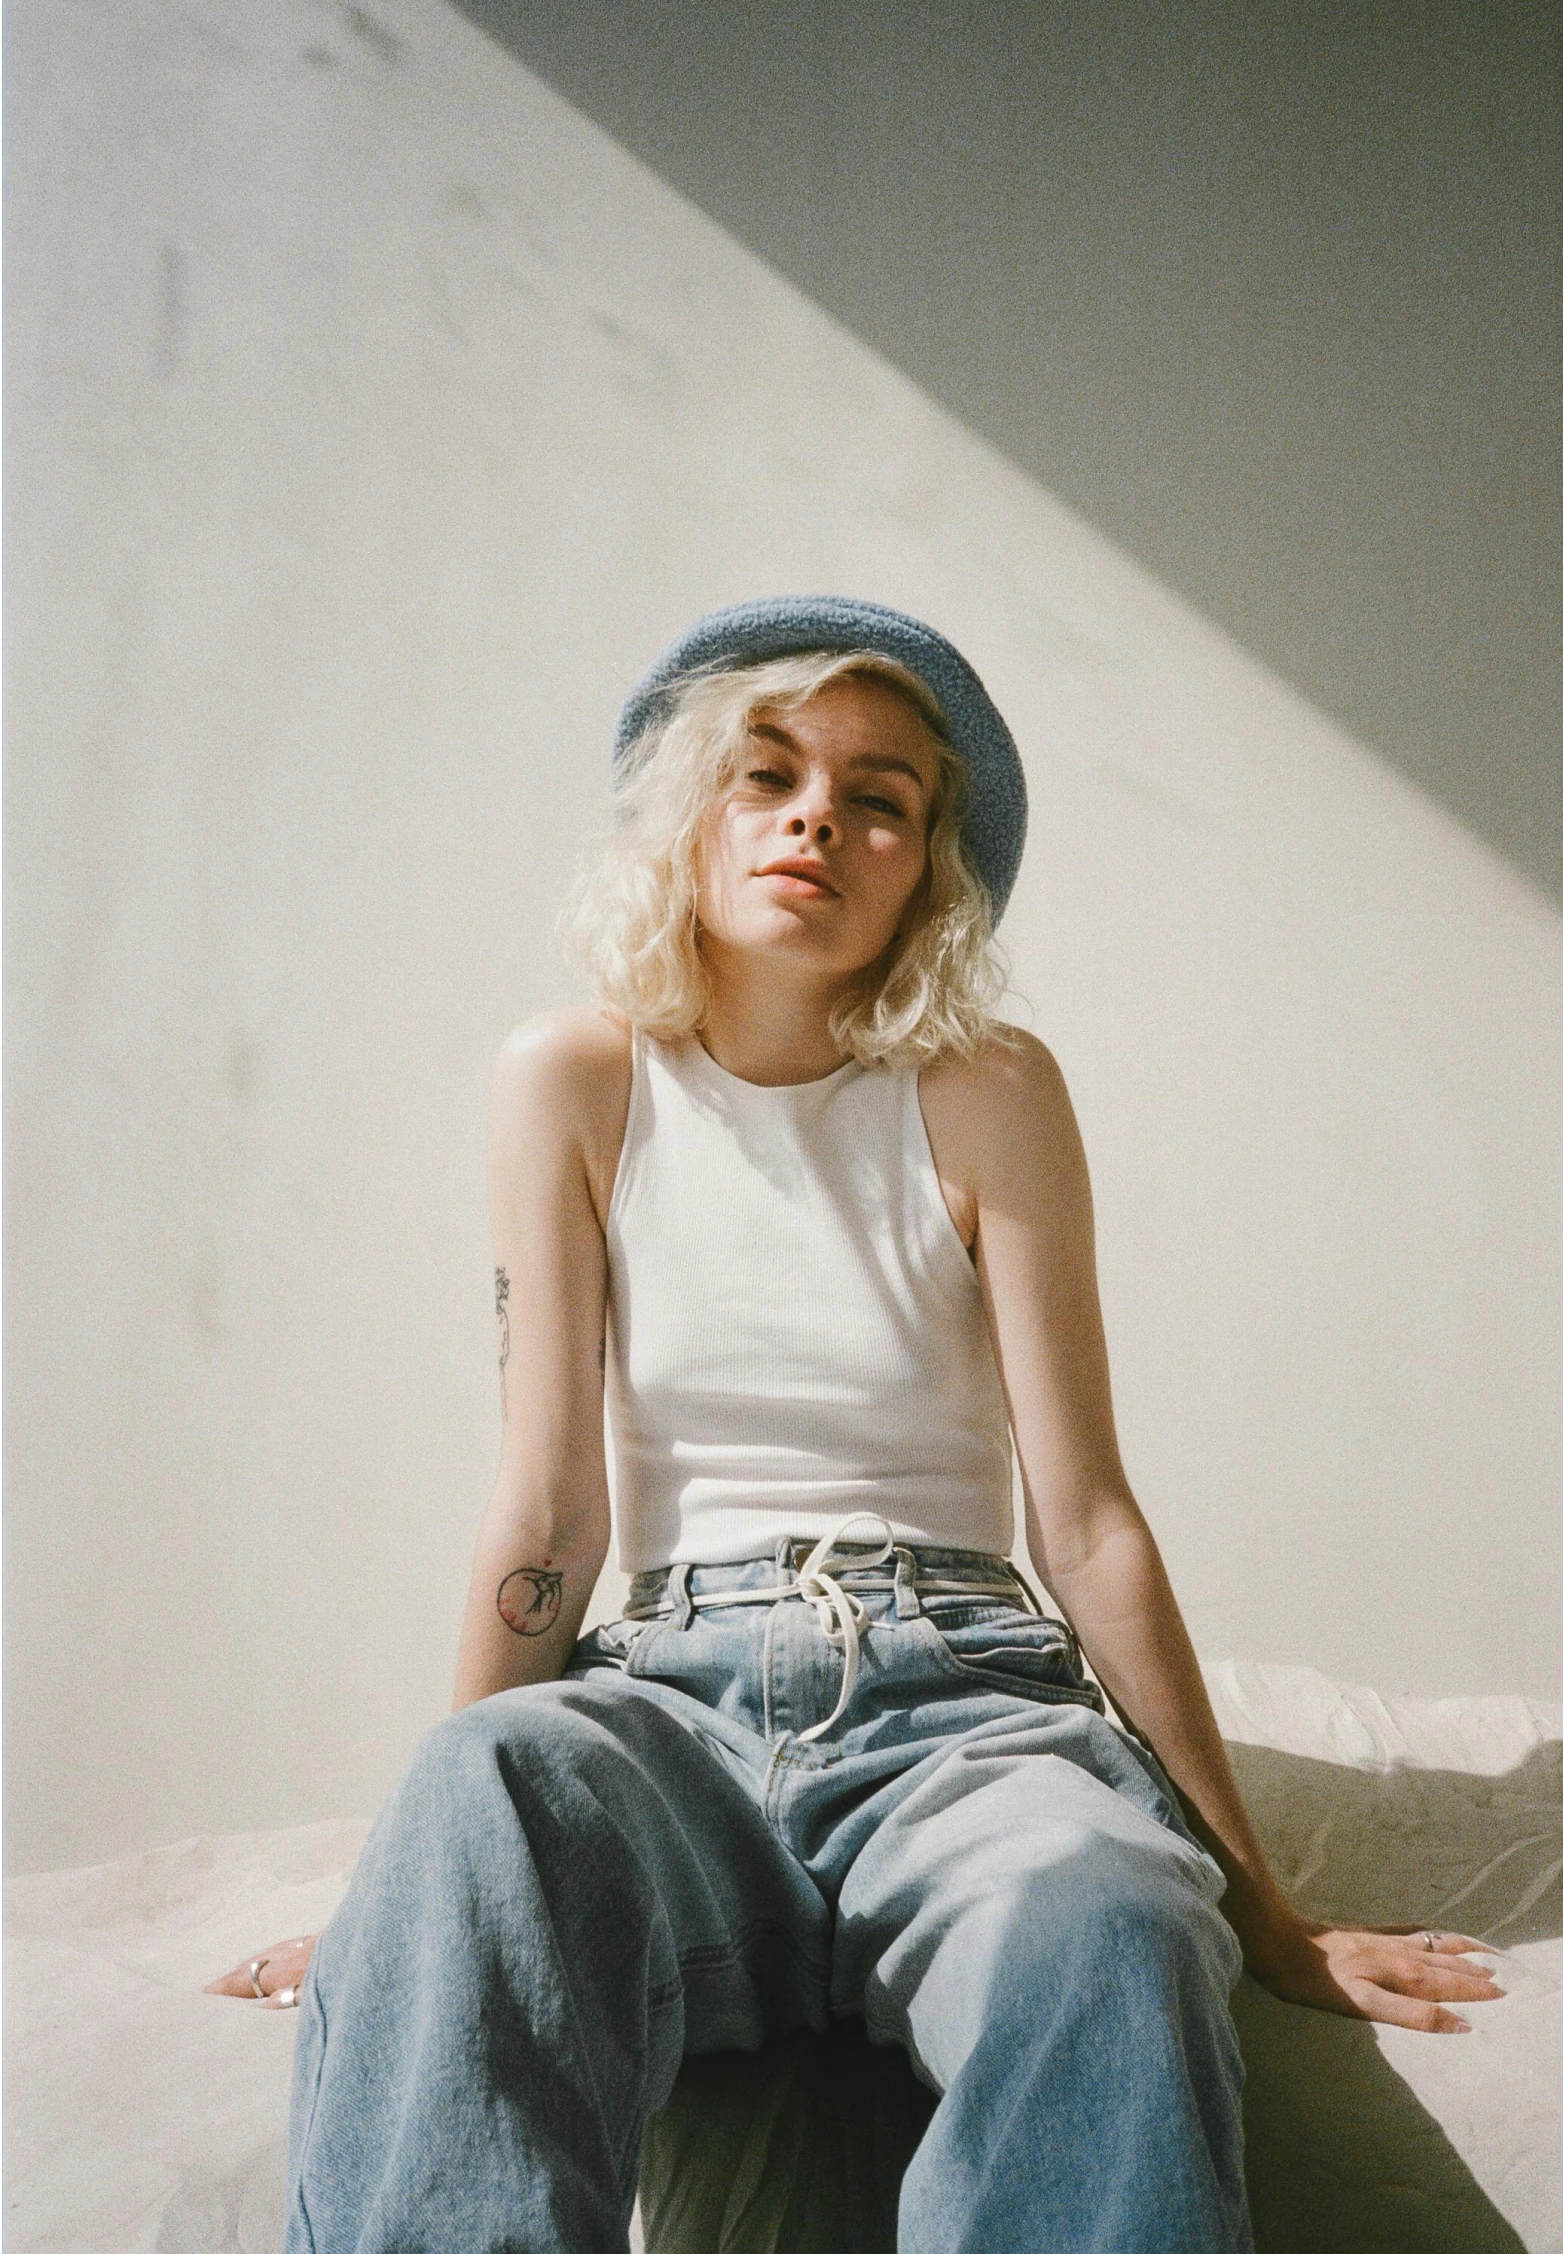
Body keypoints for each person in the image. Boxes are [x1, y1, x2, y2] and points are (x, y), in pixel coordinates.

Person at [210, 597, 1501, 2253]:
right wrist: (412, 1899)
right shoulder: (575, 1078)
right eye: (768, 773)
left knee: (1107, 1910)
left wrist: (1266, 1912)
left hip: (964, 1708)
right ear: (694, 818)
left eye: (879, 796)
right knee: (484, 1779)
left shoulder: (990, 1089)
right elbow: (545, 1515)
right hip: (668, 1703)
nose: (819, 812)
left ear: (925, 871)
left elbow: (1087, 1518)